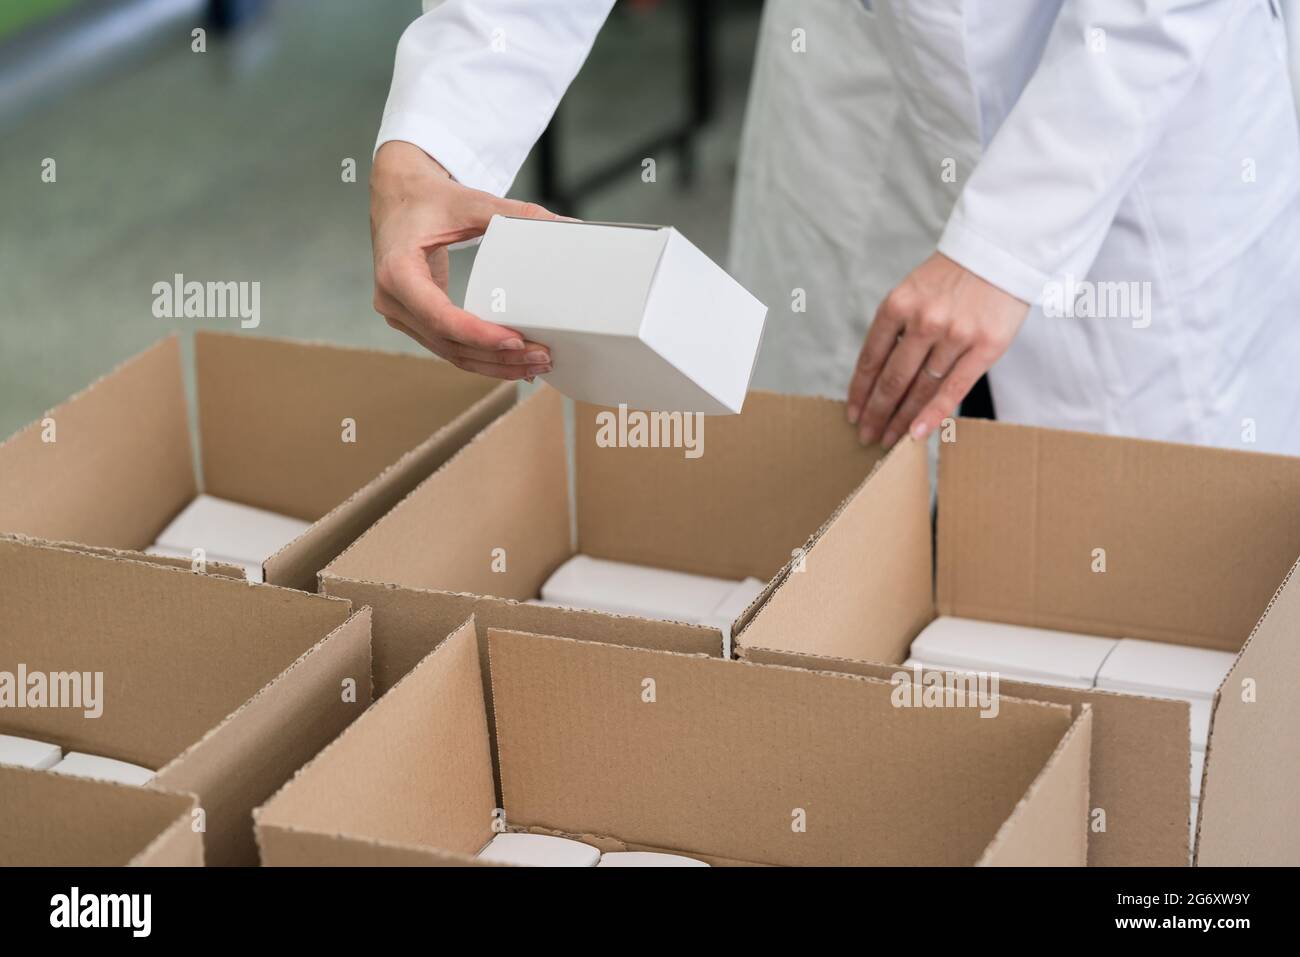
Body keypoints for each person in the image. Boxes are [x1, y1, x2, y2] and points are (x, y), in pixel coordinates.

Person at [370, 0, 1300, 454]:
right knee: (843, 514)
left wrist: (1011, 241)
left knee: (1143, 577)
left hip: (1135, 100)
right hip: (864, 87)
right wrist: (430, 145)